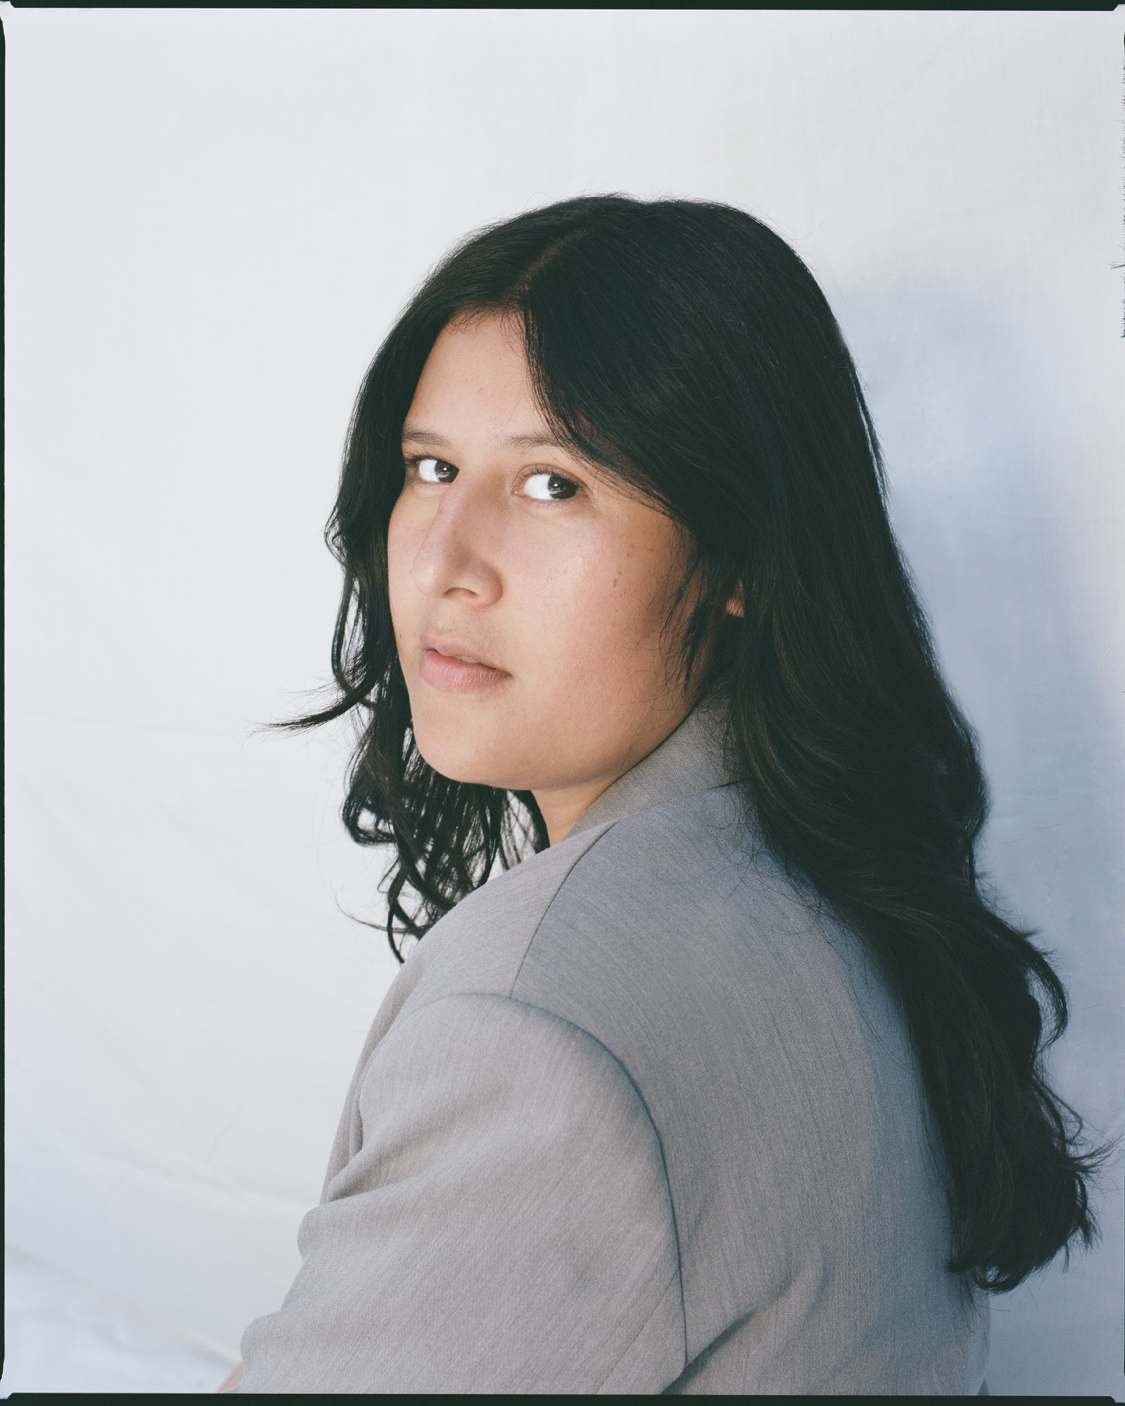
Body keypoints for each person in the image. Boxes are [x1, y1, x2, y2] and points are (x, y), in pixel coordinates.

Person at [222, 195, 1101, 1394]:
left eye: (552, 486)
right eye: (430, 468)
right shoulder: (833, 857)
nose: (442, 559)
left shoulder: (538, 1030)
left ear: (738, 555)